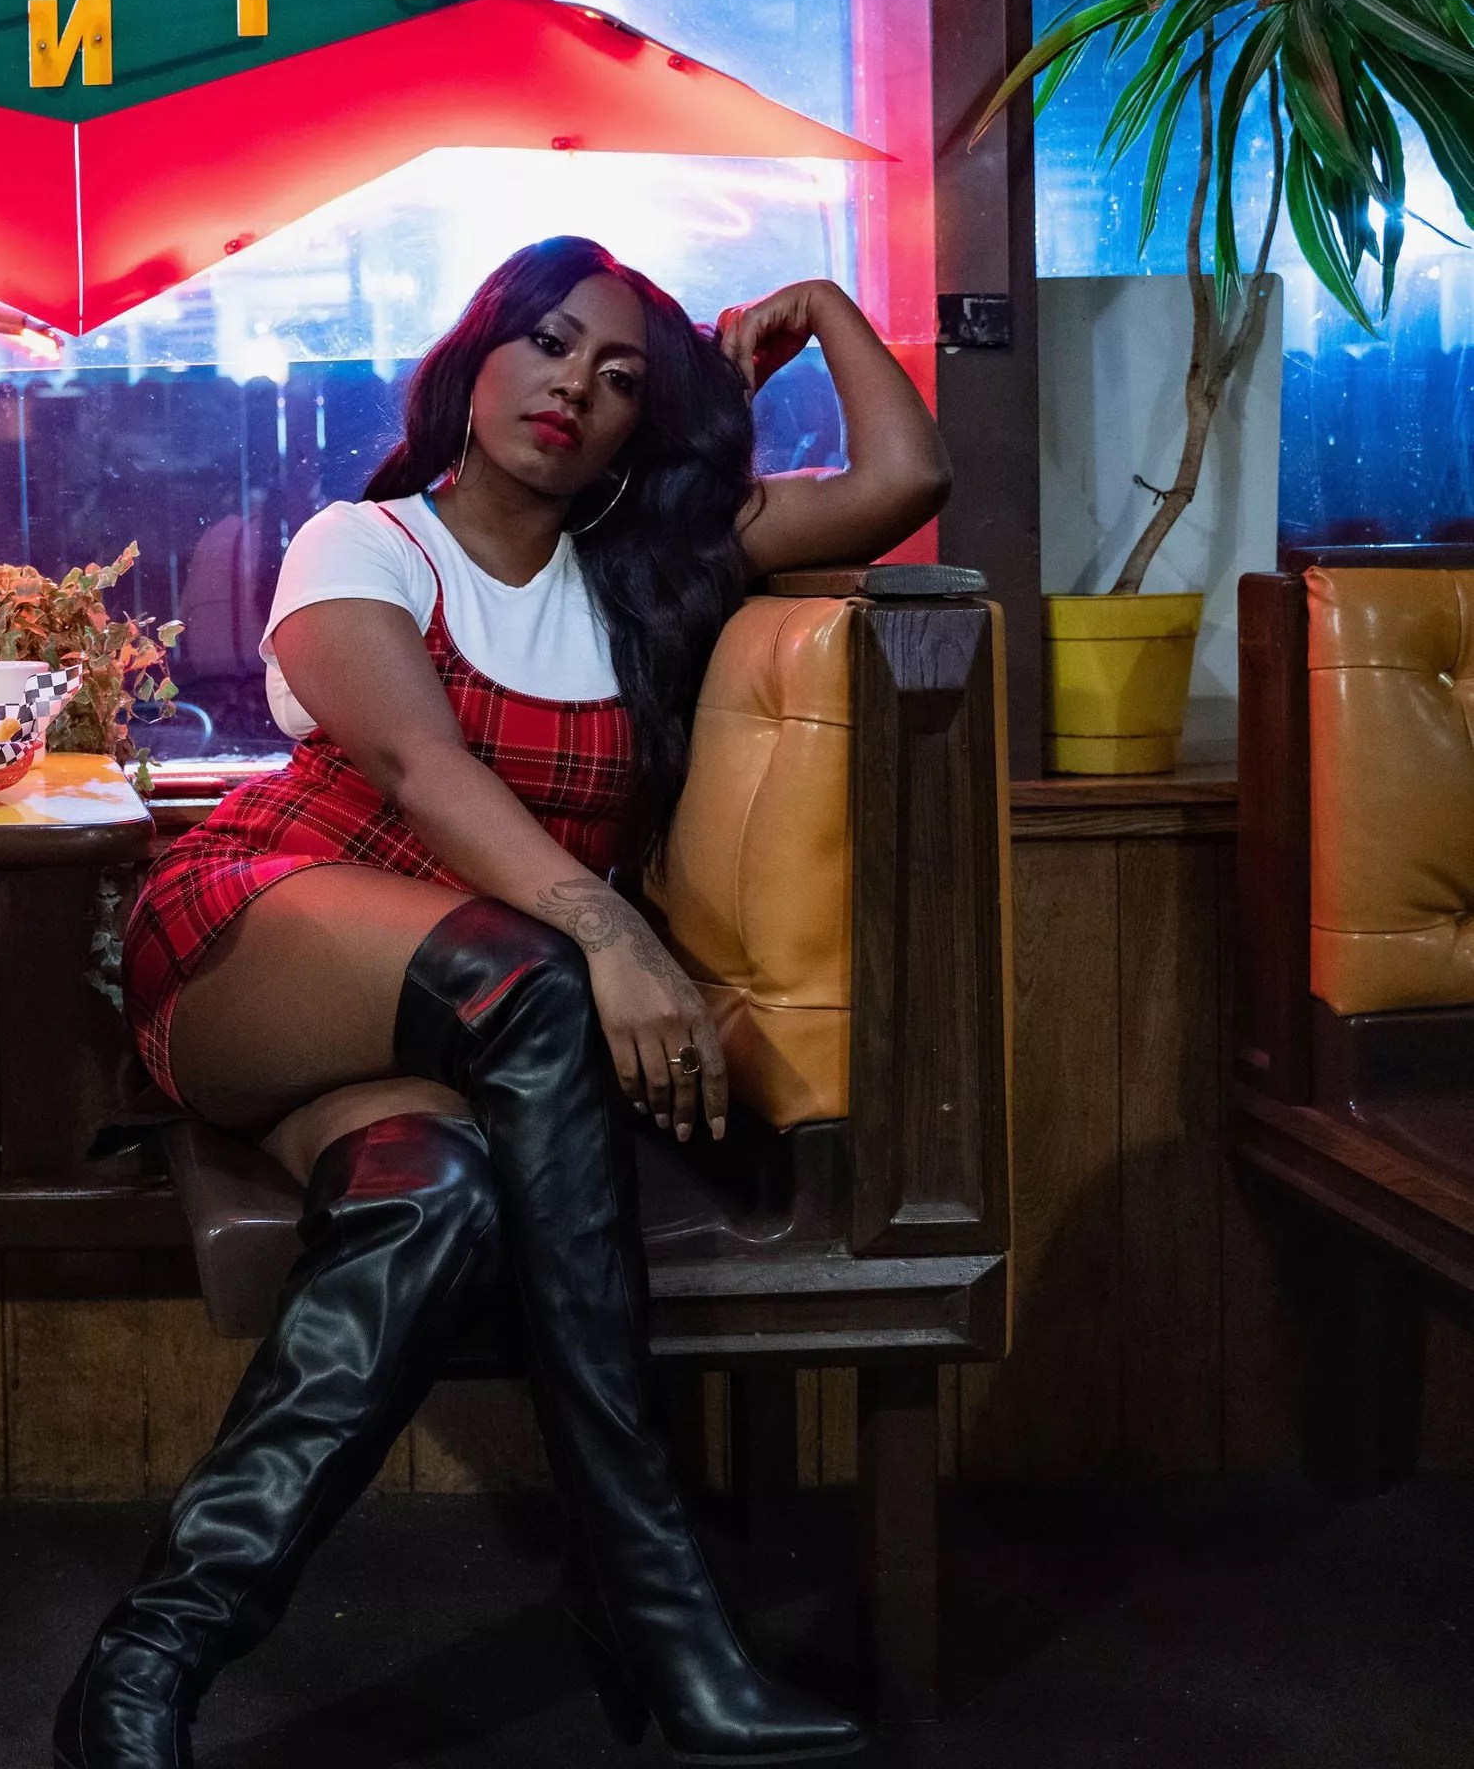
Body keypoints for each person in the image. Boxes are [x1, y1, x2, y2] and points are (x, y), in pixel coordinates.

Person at [54, 236, 949, 1768]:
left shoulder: (648, 573)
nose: (573, 388)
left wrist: (826, 314)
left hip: (461, 1024)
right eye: (545, 345)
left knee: (436, 1197)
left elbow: (902, 481)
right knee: (526, 975)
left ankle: (144, 1663)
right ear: (474, 369)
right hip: (255, 945)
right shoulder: (366, 543)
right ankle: (659, 1608)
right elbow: (420, 768)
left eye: (618, 379)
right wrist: (617, 940)